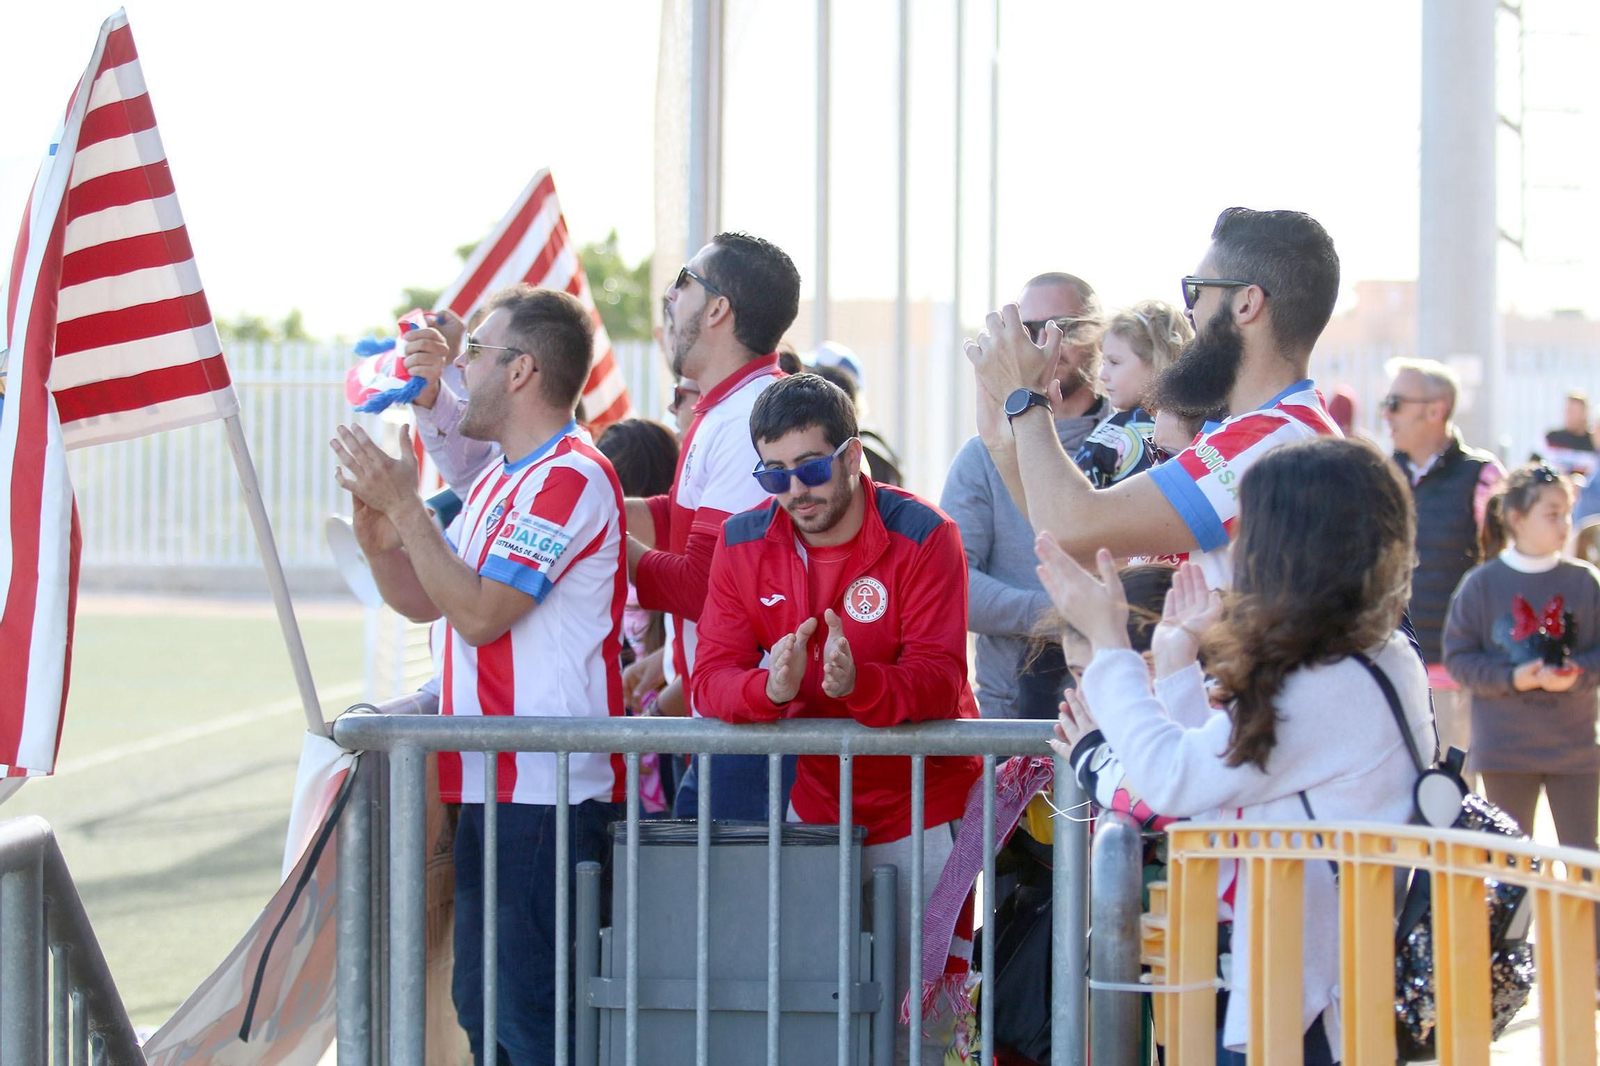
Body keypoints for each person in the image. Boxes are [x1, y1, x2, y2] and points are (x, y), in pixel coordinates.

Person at [1039, 436, 1430, 1064]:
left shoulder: (1330, 679)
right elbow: (1220, 777)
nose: (1236, 548)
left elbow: (1174, 782)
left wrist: (1110, 645)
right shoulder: (1365, 657)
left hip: (1315, 992)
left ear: (1289, 546)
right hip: (1318, 977)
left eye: (1248, 529)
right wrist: (1175, 661)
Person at [331, 286, 625, 1066]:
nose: (459, 368)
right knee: (484, 1011)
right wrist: (380, 542)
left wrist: (408, 510)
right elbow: (427, 600)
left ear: (521, 371)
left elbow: (481, 613)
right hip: (495, 786)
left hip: (549, 795)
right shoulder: (503, 476)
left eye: (474, 352)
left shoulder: (572, 475)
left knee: (533, 1024)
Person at [691, 374, 982, 1066]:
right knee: (817, 1015)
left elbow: (941, 679)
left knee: (927, 1028)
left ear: (853, 457)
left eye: (812, 468)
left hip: (928, 811)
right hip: (819, 811)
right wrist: (769, 688)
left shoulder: (926, 533)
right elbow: (710, 680)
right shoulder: (741, 540)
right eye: (775, 475)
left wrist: (859, 685)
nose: (795, 490)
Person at [966, 208, 1344, 590]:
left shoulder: (1272, 440)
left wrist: (1027, 397)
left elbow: (1075, 529)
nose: (1189, 311)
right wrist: (1003, 446)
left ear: (1246, 304)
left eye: (1196, 290)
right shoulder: (1263, 430)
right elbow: (1092, 552)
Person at [626, 231, 802, 819]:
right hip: (735, 721)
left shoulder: (750, 417)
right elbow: (681, 519)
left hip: (755, 732)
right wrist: (594, 505)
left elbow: (703, 587)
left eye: (682, 282)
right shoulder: (729, 407)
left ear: (718, 309)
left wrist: (596, 538)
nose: (669, 297)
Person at [940, 271, 1111, 718]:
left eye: (1063, 327)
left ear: (1099, 333)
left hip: (1117, 713)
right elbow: (952, 586)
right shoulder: (983, 455)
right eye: (1028, 330)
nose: (1043, 343)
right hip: (1010, 720)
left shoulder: (1137, 444)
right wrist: (1061, 613)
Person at [1443, 463, 1600, 851]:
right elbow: (1459, 659)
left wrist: (1578, 674)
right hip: (1505, 750)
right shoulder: (1481, 584)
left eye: (1567, 514)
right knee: (1510, 865)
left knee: (1582, 860)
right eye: (1552, 514)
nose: (1564, 525)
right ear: (1517, 518)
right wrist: (1512, 678)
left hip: (1575, 750)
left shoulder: (1585, 581)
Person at [1382, 357, 1505, 752]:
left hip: (1458, 673)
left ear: (1436, 410)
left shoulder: (1483, 475)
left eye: (1396, 403)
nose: (1386, 414)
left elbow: (1501, 570)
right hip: (1390, 667)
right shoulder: (1378, 474)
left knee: (1456, 785)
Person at [1074, 299, 1193, 488]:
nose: (1102, 375)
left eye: (1114, 362)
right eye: (1103, 363)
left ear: (1157, 362)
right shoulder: (1195, 428)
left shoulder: (1127, 430)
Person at [1544, 391, 1596, 477]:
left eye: (1573, 411)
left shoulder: (1595, 442)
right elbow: (1532, 466)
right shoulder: (1551, 438)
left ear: (1585, 413)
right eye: (1567, 411)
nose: (1569, 416)